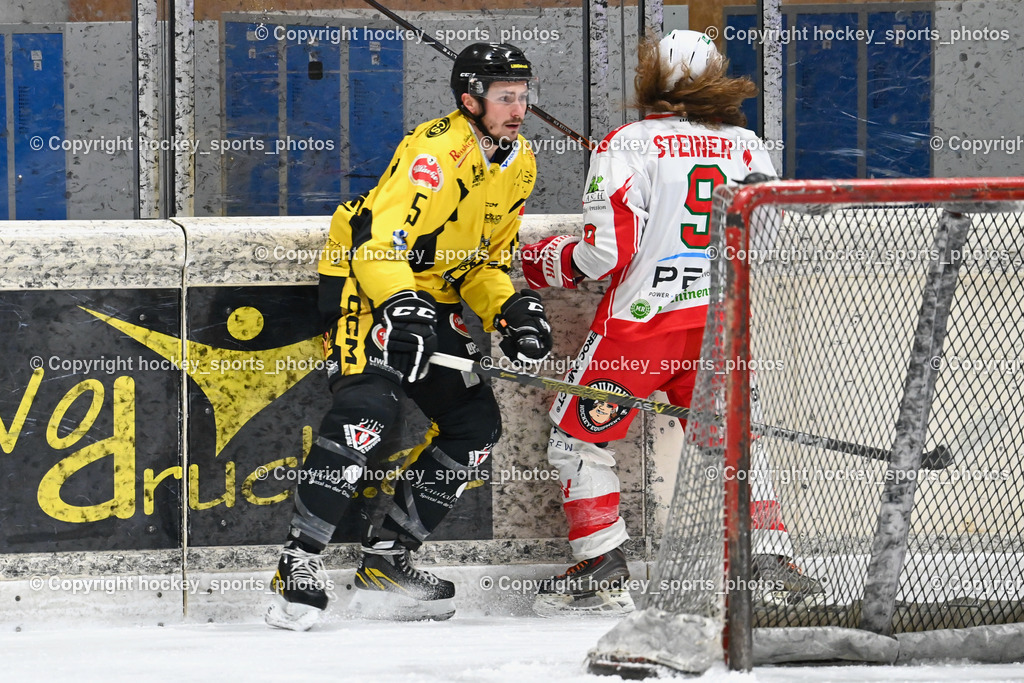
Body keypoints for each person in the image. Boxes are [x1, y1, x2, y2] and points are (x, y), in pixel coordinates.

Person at [520, 30, 823, 616]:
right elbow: (770, 235)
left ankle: (600, 565)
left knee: (579, 440)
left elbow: (604, 254)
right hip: (721, 325)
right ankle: (768, 559)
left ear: (650, 77)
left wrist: (541, 261)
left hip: (642, 326)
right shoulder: (748, 146)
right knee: (734, 442)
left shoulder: (626, 143)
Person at [266, 43, 552, 631]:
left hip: (431, 294)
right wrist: (400, 305)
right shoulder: (434, 151)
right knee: (366, 411)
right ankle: (296, 564)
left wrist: (510, 310)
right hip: (367, 285)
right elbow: (378, 244)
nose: (518, 108)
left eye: (522, 97)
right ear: (470, 100)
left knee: (475, 426)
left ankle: (388, 561)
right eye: (505, 98)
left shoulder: (520, 160)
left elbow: (484, 261)